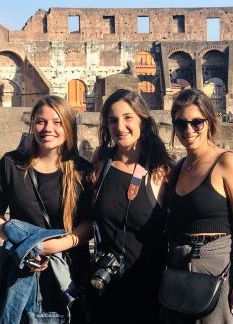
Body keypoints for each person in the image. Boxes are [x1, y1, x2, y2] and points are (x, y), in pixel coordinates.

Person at [0, 95, 92, 323]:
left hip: (70, 272)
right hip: (22, 269)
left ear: (68, 127)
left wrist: (56, 246)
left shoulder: (83, 171)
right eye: (41, 121)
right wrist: (24, 246)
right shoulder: (11, 164)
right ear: (32, 124)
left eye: (57, 122)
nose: (47, 128)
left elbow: (90, 223)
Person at [164, 89, 233, 324]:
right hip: (179, 265)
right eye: (181, 123)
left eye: (197, 122)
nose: (188, 130)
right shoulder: (180, 167)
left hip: (216, 265)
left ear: (209, 122)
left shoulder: (227, 163)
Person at [84, 88, 173, 323]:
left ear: (142, 120)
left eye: (127, 118)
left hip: (147, 290)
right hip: (105, 284)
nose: (120, 126)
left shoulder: (159, 169)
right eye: (113, 120)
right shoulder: (101, 162)